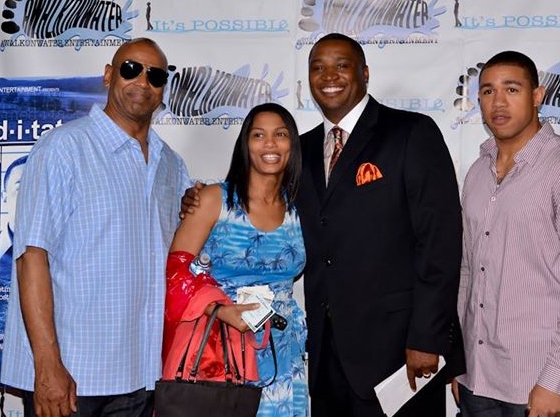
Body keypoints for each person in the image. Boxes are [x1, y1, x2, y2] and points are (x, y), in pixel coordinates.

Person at [183, 32, 464, 417]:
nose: (328, 75)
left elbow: (440, 242)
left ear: (364, 73)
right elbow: (257, 203)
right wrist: (199, 200)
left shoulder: (411, 133)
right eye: (317, 67)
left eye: (341, 65)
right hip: (322, 362)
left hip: (400, 355)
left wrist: (428, 337)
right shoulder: (302, 150)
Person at [1, 38, 191, 417]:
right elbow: (31, 257)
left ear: (162, 90)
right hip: (71, 377)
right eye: (131, 69)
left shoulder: (172, 165)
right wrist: (47, 366)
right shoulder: (63, 148)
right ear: (108, 75)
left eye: (155, 76)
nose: (142, 82)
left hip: (139, 375)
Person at [453, 50, 560, 417]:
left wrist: (556, 380)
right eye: (488, 91)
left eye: (512, 89)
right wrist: (459, 362)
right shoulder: (477, 173)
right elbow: (467, 271)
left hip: (536, 383)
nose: (498, 102)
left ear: (537, 96)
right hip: (476, 377)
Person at [165, 102, 308, 417]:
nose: (269, 143)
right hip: (221, 352)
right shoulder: (214, 200)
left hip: (284, 358)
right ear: (246, 145)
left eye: (280, 135)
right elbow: (175, 271)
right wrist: (220, 310)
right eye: (258, 135)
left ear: (292, 145)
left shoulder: (299, 209)